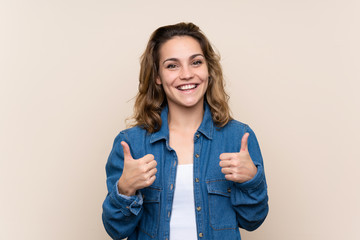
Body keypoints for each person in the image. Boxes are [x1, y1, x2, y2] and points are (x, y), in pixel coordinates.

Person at [102, 22, 269, 240]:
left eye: (196, 62)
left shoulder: (238, 137)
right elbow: (116, 230)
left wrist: (251, 180)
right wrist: (124, 190)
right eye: (172, 66)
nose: (187, 74)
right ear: (157, 76)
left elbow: (253, 220)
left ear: (208, 70)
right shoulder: (131, 144)